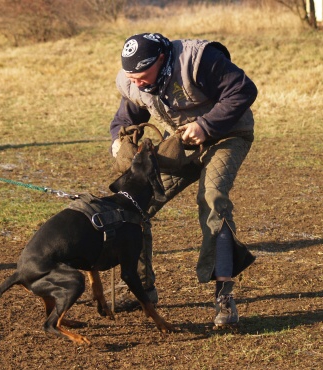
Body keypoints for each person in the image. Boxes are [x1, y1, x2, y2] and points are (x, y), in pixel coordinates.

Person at [109, 33, 257, 327]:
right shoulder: (132, 82)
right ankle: (142, 289)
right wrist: (119, 141)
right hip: (179, 145)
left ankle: (224, 298)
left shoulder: (198, 60)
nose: (136, 82)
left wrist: (206, 125)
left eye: (141, 75)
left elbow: (243, 90)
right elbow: (125, 119)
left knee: (213, 197)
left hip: (227, 136)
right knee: (134, 205)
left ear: (161, 59)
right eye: (131, 76)